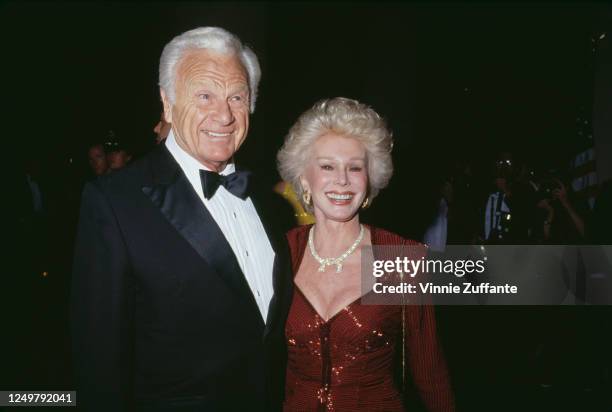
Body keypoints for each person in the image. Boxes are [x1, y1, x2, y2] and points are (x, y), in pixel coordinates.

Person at [71, 27, 292, 412]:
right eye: (204, 95)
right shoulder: (114, 202)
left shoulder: (268, 202)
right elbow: (98, 361)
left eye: (236, 97)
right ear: (167, 103)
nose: (223, 115)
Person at [277, 97, 454, 411]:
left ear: (370, 177)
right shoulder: (280, 251)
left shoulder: (404, 259)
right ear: (304, 177)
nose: (342, 179)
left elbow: (431, 375)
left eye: (355, 167)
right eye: (327, 166)